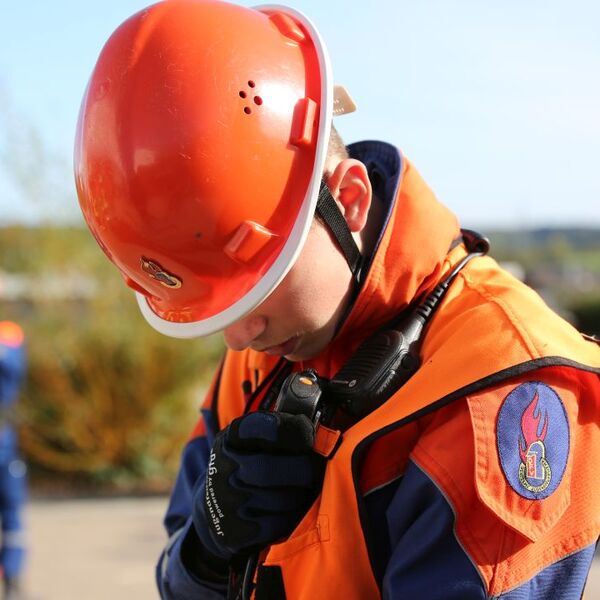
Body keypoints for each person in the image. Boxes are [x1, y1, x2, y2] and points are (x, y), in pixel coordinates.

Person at [74, 1, 600, 598]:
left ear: (346, 201)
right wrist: (206, 547)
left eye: (261, 284)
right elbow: (177, 581)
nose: (238, 336)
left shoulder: (503, 392)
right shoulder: (265, 343)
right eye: (217, 308)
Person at [0, 321, 27, 600]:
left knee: (12, 516)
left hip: (5, 441)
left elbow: (13, 366)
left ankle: (13, 580)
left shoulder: (9, 334)